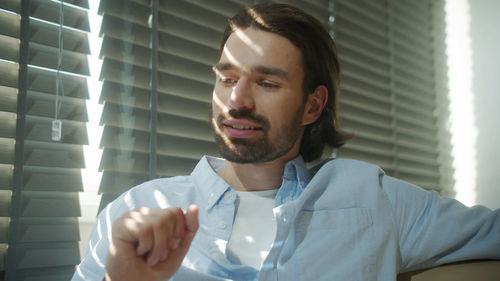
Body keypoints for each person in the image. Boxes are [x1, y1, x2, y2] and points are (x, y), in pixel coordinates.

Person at [73, 3, 500, 281]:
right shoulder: (133, 216)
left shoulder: (373, 198)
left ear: (313, 106)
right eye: (227, 78)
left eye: (267, 82)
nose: (236, 100)